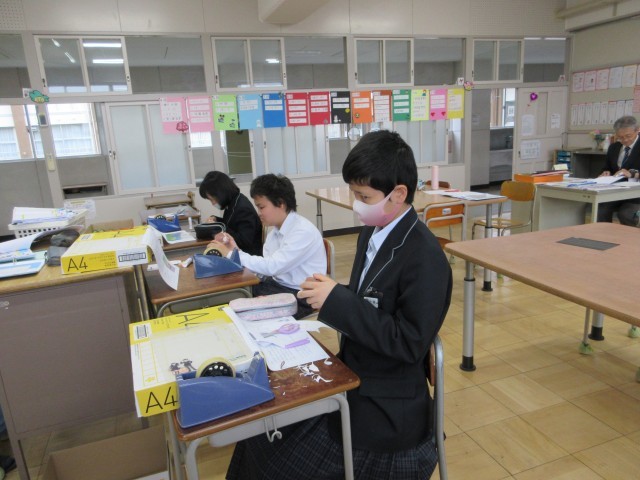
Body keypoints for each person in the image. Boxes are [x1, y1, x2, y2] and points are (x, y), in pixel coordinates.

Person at [225, 130, 452, 480]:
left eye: (364, 196)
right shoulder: (372, 233)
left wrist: (338, 300)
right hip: (355, 376)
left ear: (399, 193)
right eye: (353, 193)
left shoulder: (425, 257)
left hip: (387, 409)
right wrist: (315, 296)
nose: (355, 203)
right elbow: (370, 299)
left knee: (272, 455)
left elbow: (408, 343)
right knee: (259, 430)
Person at [208, 173, 326, 319]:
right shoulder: (274, 232)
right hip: (278, 287)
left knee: (236, 305)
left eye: (262, 207)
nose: (259, 213)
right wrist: (235, 250)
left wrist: (232, 254)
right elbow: (266, 269)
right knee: (232, 294)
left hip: (300, 296)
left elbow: (272, 267)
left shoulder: (302, 231)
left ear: (281, 203)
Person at [199, 171, 263, 256]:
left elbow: (245, 242)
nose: (213, 203)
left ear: (220, 193)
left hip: (247, 256)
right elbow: (230, 224)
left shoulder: (243, 208)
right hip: (236, 252)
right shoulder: (233, 202)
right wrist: (216, 219)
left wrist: (218, 227)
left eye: (212, 199)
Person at [597, 115, 640, 224]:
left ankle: (627, 236)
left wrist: (632, 174)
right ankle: (602, 234)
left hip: (636, 196)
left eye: (628, 136)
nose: (625, 140)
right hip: (615, 191)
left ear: (637, 130)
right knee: (600, 209)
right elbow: (607, 167)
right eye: (620, 137)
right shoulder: (614, 147)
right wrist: (605, 173)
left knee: (626, 214)